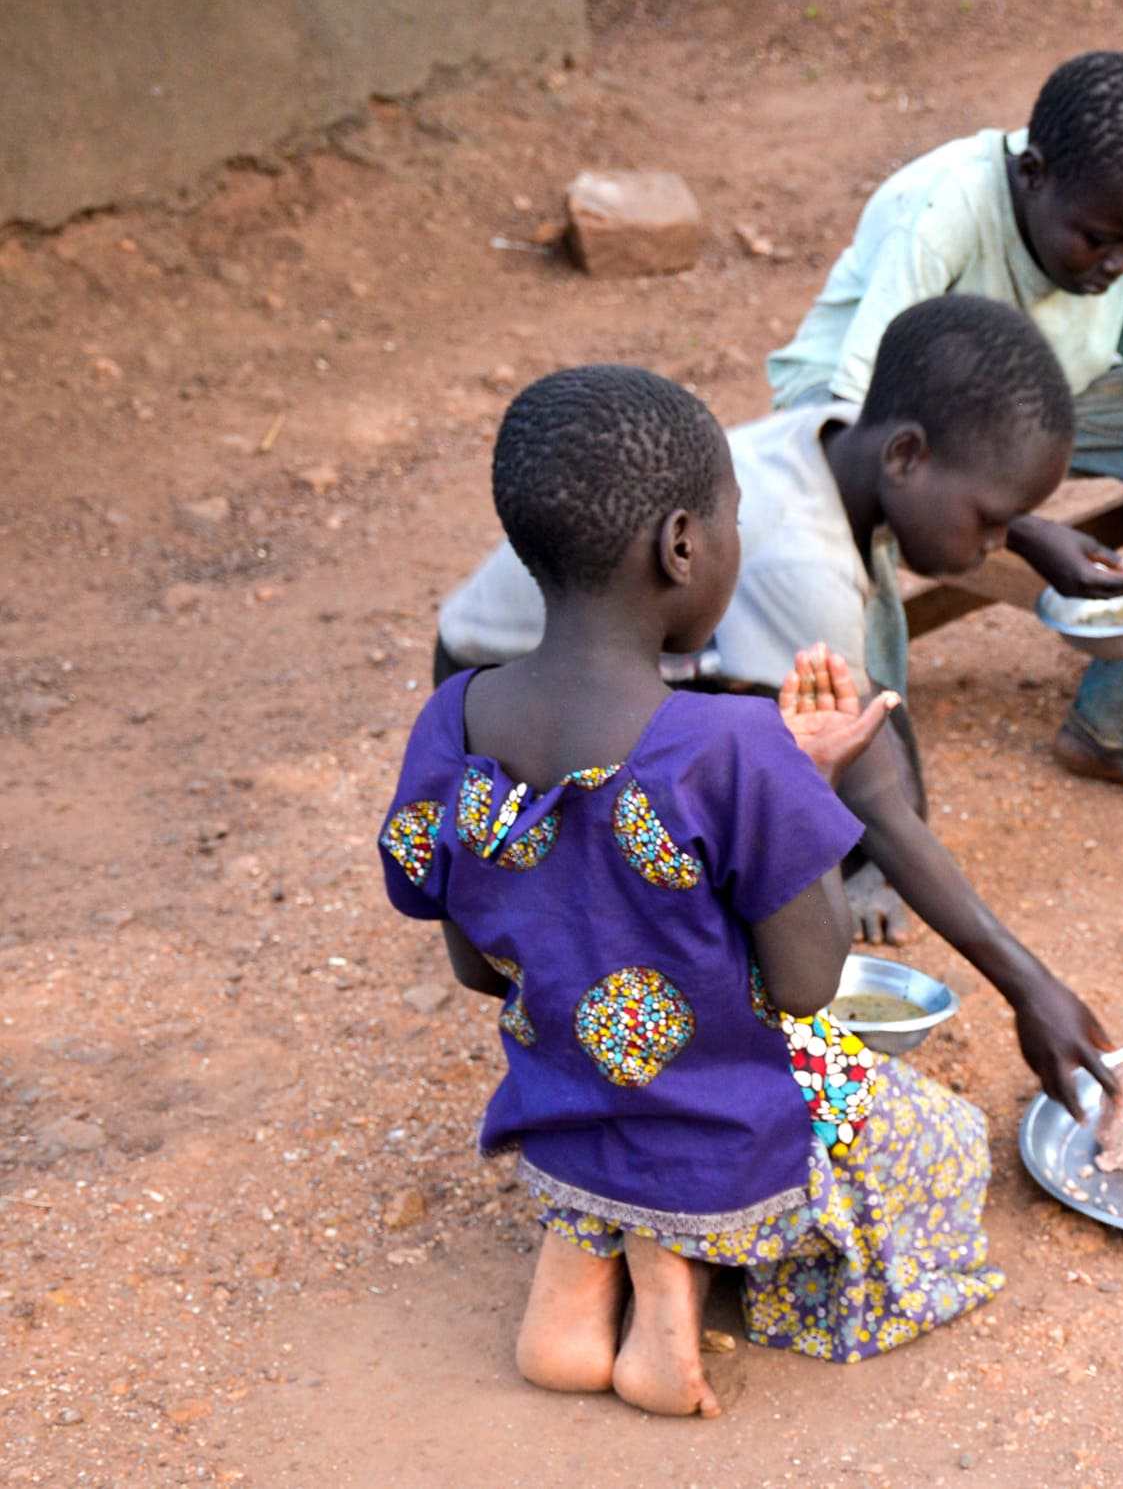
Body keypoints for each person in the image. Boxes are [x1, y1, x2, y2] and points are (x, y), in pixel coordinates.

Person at [377, 362, 1009, 1419]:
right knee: (937, 1137)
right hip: (724, 1142)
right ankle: (679, 1267)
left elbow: (475, 964)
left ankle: (580, 1291)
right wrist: (806, 792)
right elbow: (808, 986)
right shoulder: (739, 748)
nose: (733, 546)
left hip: (561, 1115)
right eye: (732, 525)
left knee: (615, 1072)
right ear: (681, 545)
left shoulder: (453, 722)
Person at [431, 299, 1121, 1115]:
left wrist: (1029, 532)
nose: (997, 541)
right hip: (524, 684)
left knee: (839, 736)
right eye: (994, 519)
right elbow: (878, 804)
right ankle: (685, 1059)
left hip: (554, 641)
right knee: (758, 821)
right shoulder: (801, 565)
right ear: (904, 455)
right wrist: (1028, 986)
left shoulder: (835, 435)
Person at [765, 49, 1123, 817]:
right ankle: (870, 814)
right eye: (1099, 240)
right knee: (859, 529)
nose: (1119, 263)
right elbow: (873, 432)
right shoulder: (942, 211)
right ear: (1035, 173)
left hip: (1038, 400)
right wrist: (1019, 530)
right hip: (878, 411)